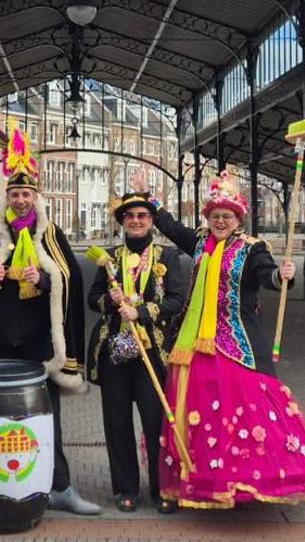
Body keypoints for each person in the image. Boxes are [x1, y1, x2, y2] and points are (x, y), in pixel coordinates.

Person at [132, 168, 305, 510]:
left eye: (227, 216)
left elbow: (267, 275)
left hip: (238, 345)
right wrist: (149, 199)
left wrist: (282, 276)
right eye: (216, 215)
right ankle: (193, 482)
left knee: (245, 416)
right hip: (193, 345)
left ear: (238, 218)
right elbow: (171, 227)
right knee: (195, 416)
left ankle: (243, 481)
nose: (221, 221)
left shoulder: (251, 249)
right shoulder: (200, 243)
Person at [0, 122, 99, 515]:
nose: (21, 200)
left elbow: (70, 281)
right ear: (6, 197)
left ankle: (60, 485)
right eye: (15, 194)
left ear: (35, 197)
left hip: (39, 344)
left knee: (47, 420)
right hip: (0, 346)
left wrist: (43, 279)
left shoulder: (51, 235)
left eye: (26, 194)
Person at [86, 191, 188, 514]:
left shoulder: (168, 257)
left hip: (151, 353)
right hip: (115, 350)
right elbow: (93, 298)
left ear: (151, 221)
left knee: (155, 421)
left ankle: (162, 489)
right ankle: (126, 488)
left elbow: (176, 300)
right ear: (122, 222)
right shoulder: (109, 258)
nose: (136, 221)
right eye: (130, 217)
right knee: (117, 422)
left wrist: (142, 311)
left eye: (142, 216)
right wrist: (110, 301)